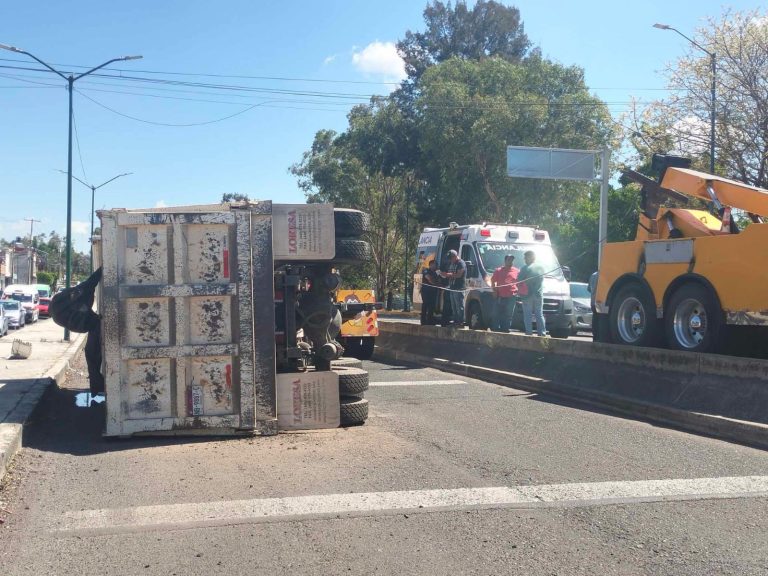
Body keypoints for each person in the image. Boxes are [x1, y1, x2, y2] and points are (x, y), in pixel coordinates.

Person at [517, 250, 547, 336]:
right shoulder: (541, 267)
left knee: (527, 315)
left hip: (527, 295)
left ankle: (529, 333)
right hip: (538, 294)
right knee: (539, 314)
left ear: (531, 257)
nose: (524, 259)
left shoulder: (525, 268)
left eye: (526, 257)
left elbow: (519, 280)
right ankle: (542, 333)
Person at [490, 254, 519, 332]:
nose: (511, 262)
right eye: (509, 260)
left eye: (512, 260)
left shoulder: (516, 271)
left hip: (511, 296)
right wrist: (494, 290)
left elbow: (520, 282)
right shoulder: (498, 270)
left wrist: (518, 291)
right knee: (497, 313)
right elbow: (493, 281)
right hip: (500, 295)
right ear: (505, 261)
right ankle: (495, 329)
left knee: (508, 314)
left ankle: (505, 329)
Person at [439, 249, 466, 326]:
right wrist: (444, 274)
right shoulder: (451, 263)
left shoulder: (461, 263)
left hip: (459, 288)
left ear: (455, 256)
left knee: (459, 306)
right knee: (454, 306)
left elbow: (459, 275)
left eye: (451, 258)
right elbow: (450, 273)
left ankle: (460, 322)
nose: (450, 260)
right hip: (452, 287)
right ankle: (455, 321)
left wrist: (448, 275)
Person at [420, 259, 440, 325]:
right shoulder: (426, 270)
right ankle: (423, 321)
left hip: (433, 292)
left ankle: (430, 321)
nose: (436, 266)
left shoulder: (436, 272)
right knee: (425, 305)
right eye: (435, 264)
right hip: (426, 291)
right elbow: (429, 279)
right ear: (431, 265)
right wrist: (436, 284)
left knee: (432, 306)